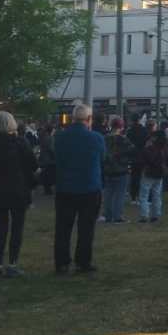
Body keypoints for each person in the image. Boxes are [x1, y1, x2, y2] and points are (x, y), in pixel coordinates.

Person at [53, 104, 106, 274]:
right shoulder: (96, 138)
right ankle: (83, 261)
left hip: (65, 188)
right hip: (89, 188)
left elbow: (56, 159)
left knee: (62, 228)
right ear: (89, 120)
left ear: (72, 118)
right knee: (86, 228)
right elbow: (103, 158)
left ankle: (61, 263)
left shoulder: (60, 137)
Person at [0, 111, 38, 278]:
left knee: (1, 228)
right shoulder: (20, 142)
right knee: (16, 228)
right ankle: (12, 263)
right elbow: (32, 164)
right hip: (17, 190)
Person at [102, 118, 136, 224]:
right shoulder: (124, 140)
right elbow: (132, 151)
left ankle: (108, 215)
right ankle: (118, 216)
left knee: (108, 193)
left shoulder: (104, 138)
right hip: (121, 169)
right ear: (121, 127)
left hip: (108, 169)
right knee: (119, 195)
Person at [137, 131, 168, 223]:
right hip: (159, 173)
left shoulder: (150, 148)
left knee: (144, 194)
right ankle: (156, 214)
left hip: (149, 172)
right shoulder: (164, 147)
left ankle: (144, 215)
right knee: (157, 194)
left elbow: (145, 158)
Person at [38, 124, 57, 196]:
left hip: (43, 158)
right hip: (49, 159)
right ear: (51, 130)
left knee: (45, 174)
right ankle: (48, 190)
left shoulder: (43, 137)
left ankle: (46, 189)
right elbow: (52, 149)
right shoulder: (50, 138)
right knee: (50, 174)